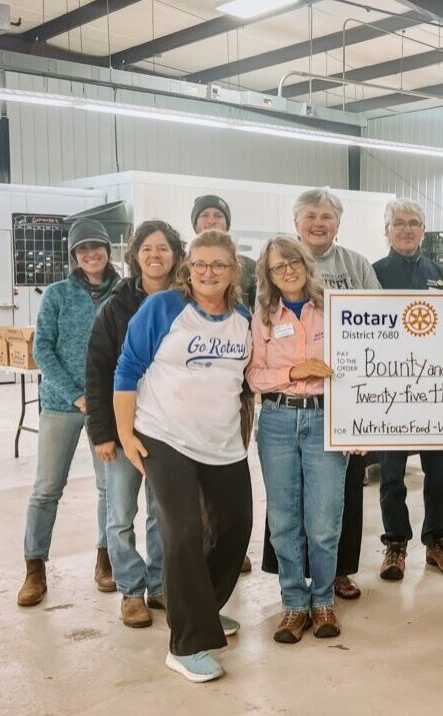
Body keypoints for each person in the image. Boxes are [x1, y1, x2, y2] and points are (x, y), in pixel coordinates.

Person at [114, 229, 254, 683]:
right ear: (187, 268)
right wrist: (124, 432)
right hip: (164, 436)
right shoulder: (163, 308)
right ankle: (187, 642)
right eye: (198, 264)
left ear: (233, 270)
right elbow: (128, 368)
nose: (207, 273)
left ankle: (202, 608)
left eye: (218, 265)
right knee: (184, 532)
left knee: (235, 528)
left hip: (222, 441)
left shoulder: (244, 316)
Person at [260, 187, 380, 601]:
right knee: (287, 508)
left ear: (338, 223)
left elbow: (379, 334)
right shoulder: (274, 282)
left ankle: (337, 574)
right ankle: (293, 587)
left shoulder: (356, 265)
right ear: (296, 224)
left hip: (338, 405)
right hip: (283, 412)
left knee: (339, 500)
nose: (318, 222)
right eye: (310, 215)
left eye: (326, 216)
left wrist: (363, 415)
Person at [248, 236, 350, 643]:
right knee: (284, 520)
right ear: (268, 275)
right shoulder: (264, 316)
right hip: (276, 420)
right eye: (277, 266)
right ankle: (293, 602)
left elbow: (359, 365)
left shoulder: (335, 308)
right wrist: (294, 372)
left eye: (293, 262)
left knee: (324, 521)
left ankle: (323, 600)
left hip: (325, 419)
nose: (287, 270)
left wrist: (359, 424)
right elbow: (253, 374)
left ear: (306, 263)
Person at [85, 220, 184, 627]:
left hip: (166, 428)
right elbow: (98, 369)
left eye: (163, 248)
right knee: (120, 510)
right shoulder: (116, 305)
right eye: (147, 249)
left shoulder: (187, 302)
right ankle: (131, 590)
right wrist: (103, 432)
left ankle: (160, 585)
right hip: (123, 426)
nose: (155, 255)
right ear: (135, 256)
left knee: (162, 512)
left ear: (176, 255)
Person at [17, 218, 119, 607]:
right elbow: (43, 348)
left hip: (108, 408)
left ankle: (105, 561)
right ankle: (34, 568)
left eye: (96, 246)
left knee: (110, 489)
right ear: (74, 256)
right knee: (46, 489)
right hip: (63, 406)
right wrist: (78, 395)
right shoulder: (57, 294)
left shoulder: (124, 292)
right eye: (82, 249)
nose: (90, 254)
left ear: (108, 250)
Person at [372, 199, 443, 581]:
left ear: (423, 230)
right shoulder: (373, 273)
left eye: (413, 223)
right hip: (391, 391)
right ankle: (395, 545)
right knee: (391, 473)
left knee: (438, 472)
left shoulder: (442, 275)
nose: (406, 229)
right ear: (387, 230)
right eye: (399, 223)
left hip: (435, 390)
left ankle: (437, 542)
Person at [191, 194, 255, 575]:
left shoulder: (245, 271)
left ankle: (227, 544)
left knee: (228, 471)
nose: (212, 220)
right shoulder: (190, 269)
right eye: (205, 215)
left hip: (237, 392)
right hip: (191, 395)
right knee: (192, 481)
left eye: (218, 215)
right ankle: (200, 544)